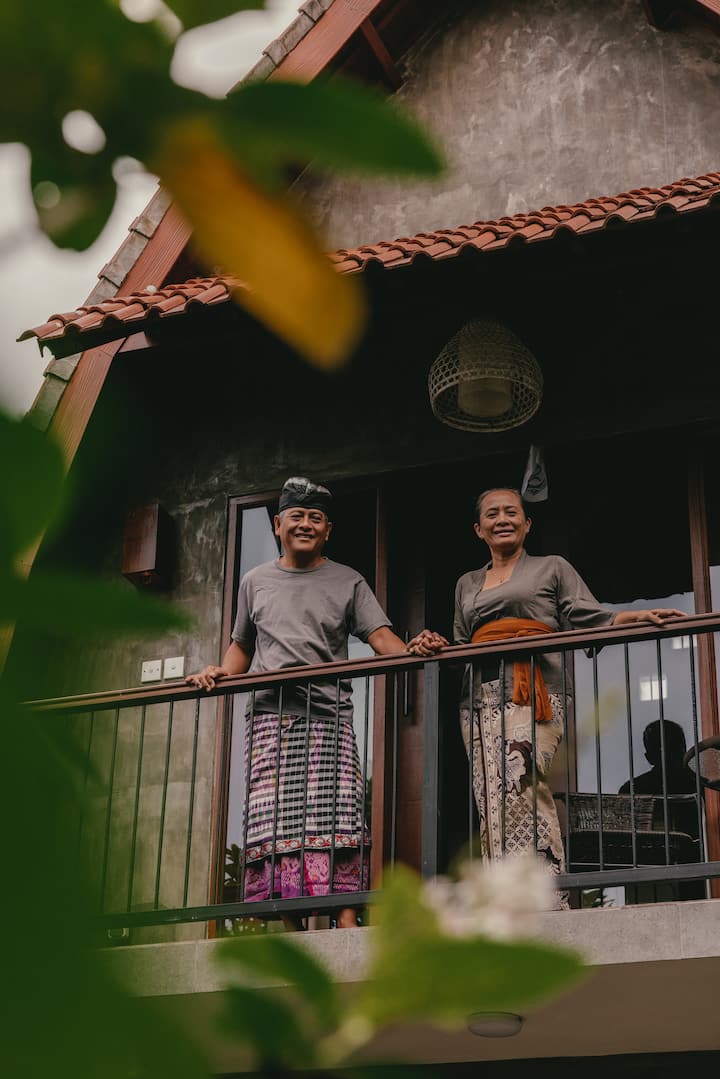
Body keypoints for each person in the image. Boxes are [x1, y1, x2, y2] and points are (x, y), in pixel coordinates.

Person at [187, 476, 445, 929]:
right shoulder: (255, 582)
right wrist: (220, 672)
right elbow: (241, 649)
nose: (305, 524)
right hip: (271, 718)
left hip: (329, 717)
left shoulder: (347, 580)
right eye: (297, 516)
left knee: (338, 814)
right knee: (277, 823)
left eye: (316, 518)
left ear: (328, 530)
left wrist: (414, 649)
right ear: (277, 524)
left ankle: (346, 917)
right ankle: (289, 923)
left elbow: (381, 638)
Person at [453, 487, 685, 884]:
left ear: (527, 524)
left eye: (512, 513)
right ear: (479, 529)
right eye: (492, 514)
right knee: (489, 795)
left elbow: (590, 615)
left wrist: (638, 617)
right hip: (480, 698)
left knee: (521, 782)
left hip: (537, 690)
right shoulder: (466, 583)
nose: (502, 520)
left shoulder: (551, 568)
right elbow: (461, 642)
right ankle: (501, 889)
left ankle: (543, 888)